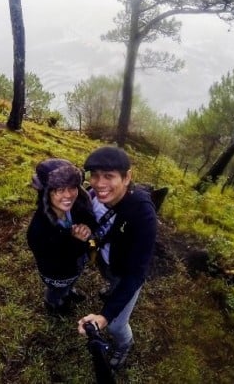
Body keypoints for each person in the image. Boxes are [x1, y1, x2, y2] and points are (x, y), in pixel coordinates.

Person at [77, 146, 157, 371]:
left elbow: (136, 274)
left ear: (127, 177)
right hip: (107, 263)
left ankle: (124, 344)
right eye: (95, 175)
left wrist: (104, 316)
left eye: (109, 176)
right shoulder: (91, 197)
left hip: (126, 271)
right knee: (111, 280)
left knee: (115, 325)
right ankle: (112, 287)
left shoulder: (142, 213)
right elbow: (89, 226)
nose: (99, 183)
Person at [27, 158, 96, 314]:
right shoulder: (38, 231)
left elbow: (89, 217)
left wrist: (87, 226)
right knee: (57, 290)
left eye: (72, 187)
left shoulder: (77, 204)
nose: (68, 195)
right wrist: (76, 242)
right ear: (46, 192)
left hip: (75, 268)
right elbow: (56, 261)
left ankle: (69, 291)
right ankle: (53, 304)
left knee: (71, 282)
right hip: (57, 275)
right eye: (59, 189)